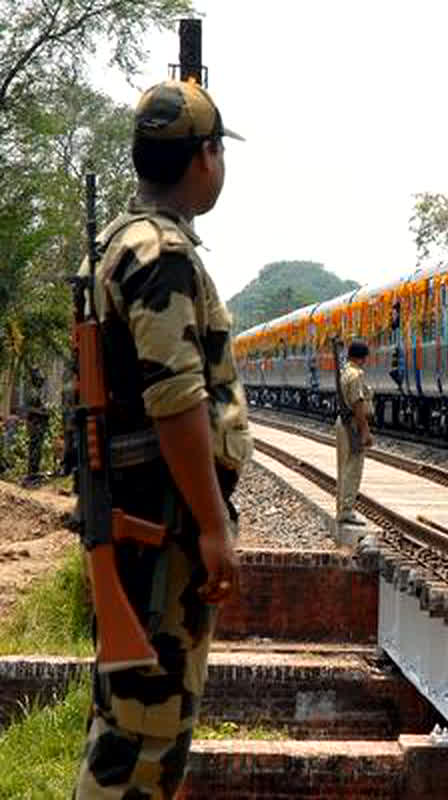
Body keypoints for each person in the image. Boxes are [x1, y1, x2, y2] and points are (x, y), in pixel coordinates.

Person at [73, 79, 251, 799]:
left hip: (142, 521)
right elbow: (175, 399)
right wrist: (213, 526)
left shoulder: (120, 242)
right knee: (143, 742)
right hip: (164, 528)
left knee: (132, 731)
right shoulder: (160, 254)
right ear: (204, 157)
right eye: (219, 150)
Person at [336, 338, 374, 525]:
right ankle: (347, 510)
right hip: (352, 423)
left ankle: (342, 508)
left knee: (344, 467)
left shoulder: (345, 372)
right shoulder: (356, 374)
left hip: (344, 422)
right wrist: (365, 431)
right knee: (353, 468)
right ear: (362, 358)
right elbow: (358, 404)